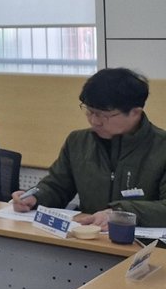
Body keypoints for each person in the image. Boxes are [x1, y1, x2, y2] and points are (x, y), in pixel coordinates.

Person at [12, 67, 166, 227]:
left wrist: (119, 213)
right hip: (87, 235)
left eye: (103, 115)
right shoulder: (78, 142)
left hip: (141, 240)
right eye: (90, 111)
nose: (94, 121)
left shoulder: (161, 147)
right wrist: (35, 197)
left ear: (135, 113)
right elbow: (57, 186)